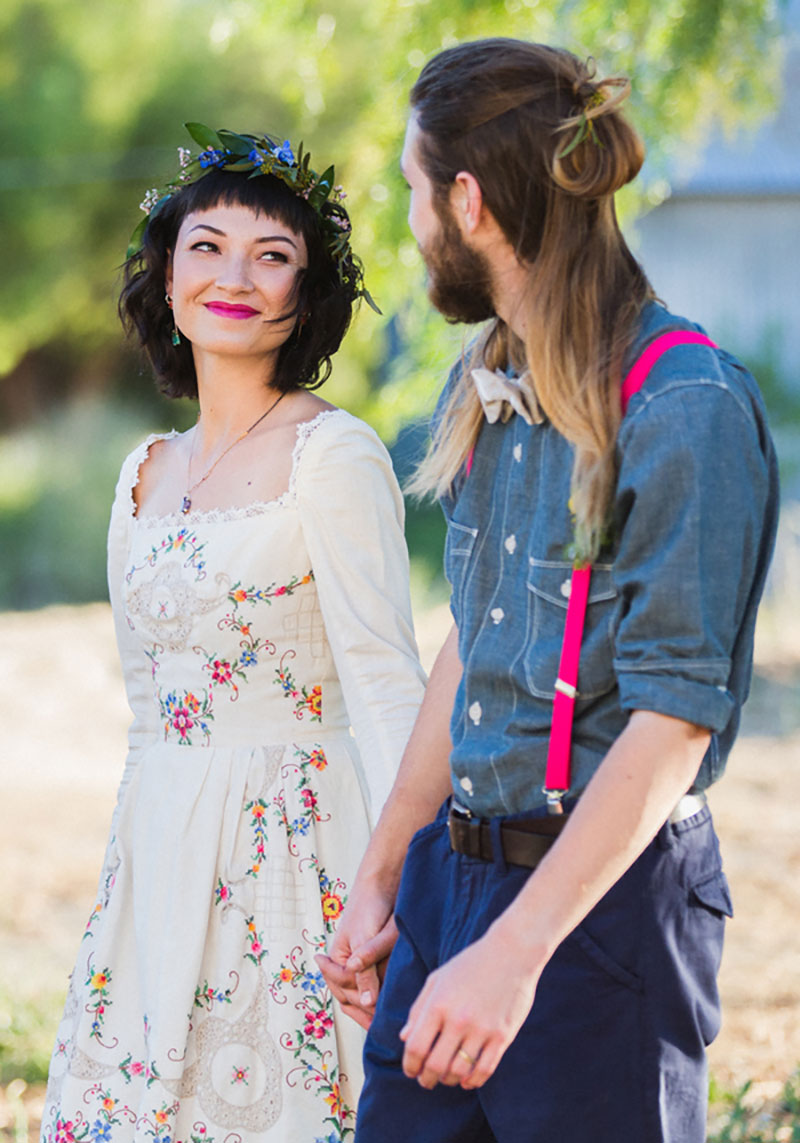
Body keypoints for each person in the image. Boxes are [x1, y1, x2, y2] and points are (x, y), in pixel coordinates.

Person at [317, 39, 780, 1143]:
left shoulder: (683, 406)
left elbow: (673, 722)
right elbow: (470, 648)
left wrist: (513, 955)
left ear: (466, 202)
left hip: (598, 916)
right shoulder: (490, 386)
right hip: (451, 887)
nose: (415, 221)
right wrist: (385, 874)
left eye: (413, 192)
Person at [41, 124, 426, 1143]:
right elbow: (143, 704)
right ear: (167, 276)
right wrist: (138, 859)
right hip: (160, 842)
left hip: (297, 847)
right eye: (206, 247)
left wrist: (399, 892)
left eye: (273, 257)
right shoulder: (142, 472)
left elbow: (387, 684)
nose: (235, 277)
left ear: (306, 296)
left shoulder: (333, 455)